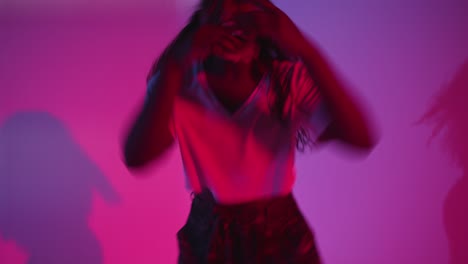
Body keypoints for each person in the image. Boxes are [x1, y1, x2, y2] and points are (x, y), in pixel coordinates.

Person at [123, 0, 377, 263]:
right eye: (217, 4)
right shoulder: (179, 81)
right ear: (202, 17)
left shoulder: (287, 79)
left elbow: (360, 137)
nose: (229, 14)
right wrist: (174, 65)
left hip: (280, 232)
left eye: (243, 3)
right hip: (208, 232)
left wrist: (304, 48)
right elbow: (136, 157)